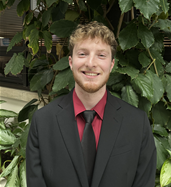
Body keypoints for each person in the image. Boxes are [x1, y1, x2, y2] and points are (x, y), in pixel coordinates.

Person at [26, 21, 156, 187]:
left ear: (111, 65)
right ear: (71, 62)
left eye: (101, 55)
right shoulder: (43, 121)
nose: (91, 63)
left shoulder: (137, 123)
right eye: (83, 54)